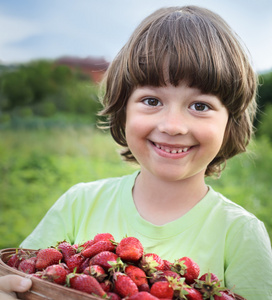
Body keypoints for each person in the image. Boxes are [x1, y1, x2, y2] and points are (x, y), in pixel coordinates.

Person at [1, 5, 271, 300]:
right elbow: (23, 277)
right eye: (152, 101)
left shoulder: (241, 235)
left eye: (200, 106)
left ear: (230, 123)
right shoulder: (78, 205)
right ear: (123, 110)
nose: (173, 126)